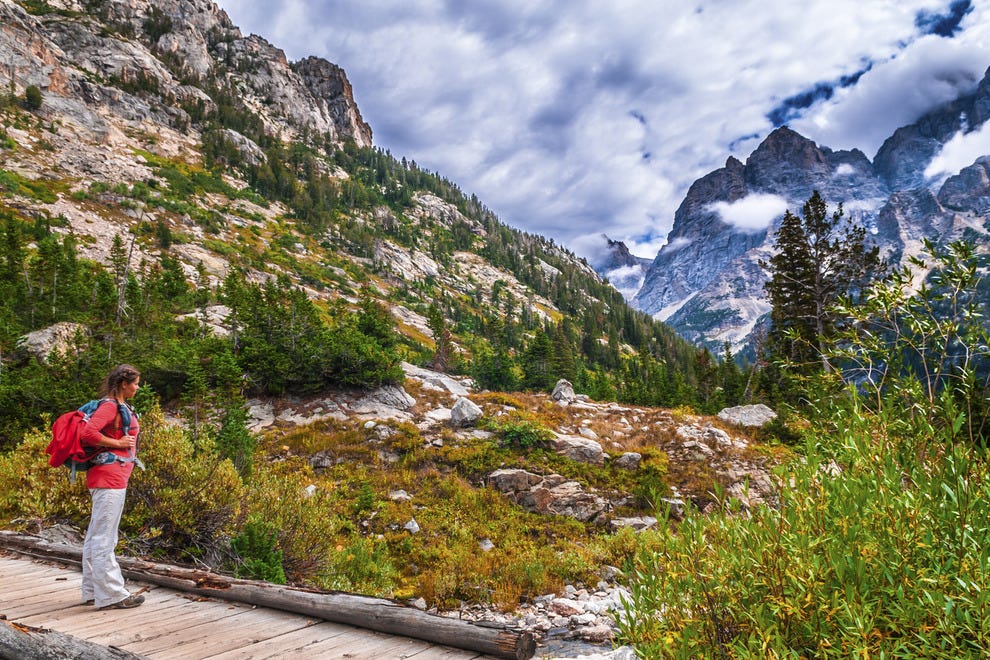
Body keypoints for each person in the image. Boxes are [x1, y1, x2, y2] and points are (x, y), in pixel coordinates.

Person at [79, 363, 146, 610]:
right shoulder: (110, 406)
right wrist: (118, 443)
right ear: (123, 384)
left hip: (109, 476)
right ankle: (111, 595)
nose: (137, 388)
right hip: (110, 477)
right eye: (135, 384)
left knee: (97, 534)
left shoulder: (118, 406)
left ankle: (92, 591)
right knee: (105, 537)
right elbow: (88, 434)